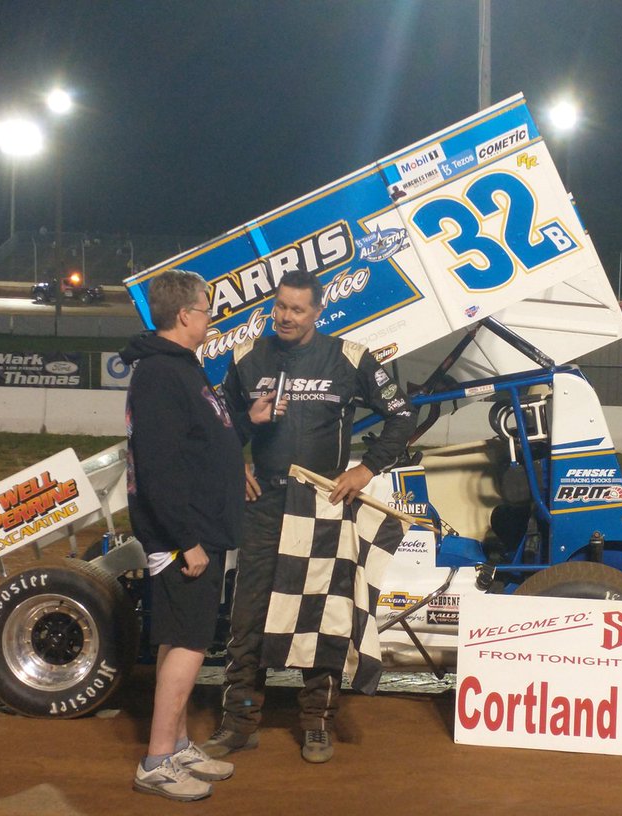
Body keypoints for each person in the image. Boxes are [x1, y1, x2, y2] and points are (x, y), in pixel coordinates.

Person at [204, 269, 416, 765]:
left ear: (318, 312)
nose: (286, 317)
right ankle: (240, 722)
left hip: (323, 505)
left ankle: (317, 723)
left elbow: (402, 415)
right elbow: (221, 424)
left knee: (322, 616)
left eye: (297, 309)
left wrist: (365, 469)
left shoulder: (350, 357)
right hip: (264, 504)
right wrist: (234, 464)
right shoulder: (247, 356)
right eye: (280, 306)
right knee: (249, 616)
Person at [120, 269, 245, 802]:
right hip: (184, 536)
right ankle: (156, 762)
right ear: (185, 315)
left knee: (180, 638)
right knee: (191, 643)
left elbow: (201, 441)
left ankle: (175, 746)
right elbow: (159, 468)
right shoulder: (160, 374)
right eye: (207, 309)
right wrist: (185, 538)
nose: (211, 318)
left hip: (197, 530)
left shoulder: (181, 367)